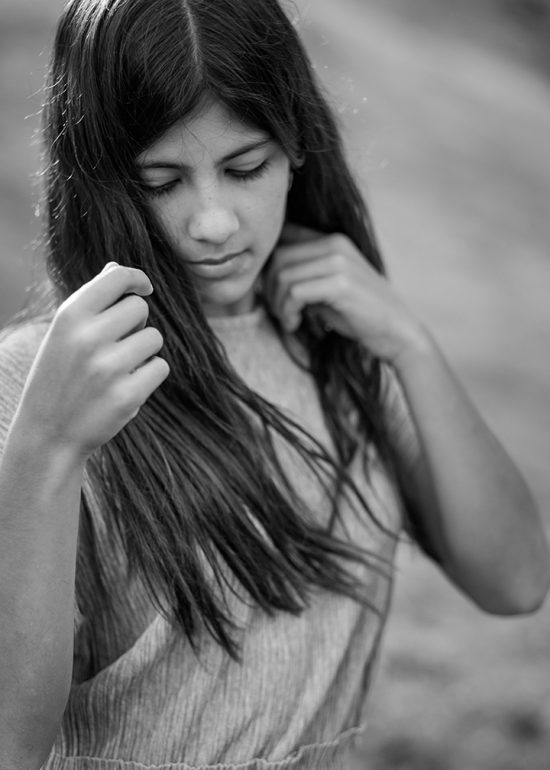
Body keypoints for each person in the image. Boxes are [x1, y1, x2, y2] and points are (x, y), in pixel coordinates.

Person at [0, 0, 548, 768]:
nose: (213, 223)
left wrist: (410, 345)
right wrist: (45, 450)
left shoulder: (341, 344)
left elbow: (517, 582)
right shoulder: (39, 383)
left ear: (297, 149)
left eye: (244, 168)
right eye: (162, 181)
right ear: (103, 183)